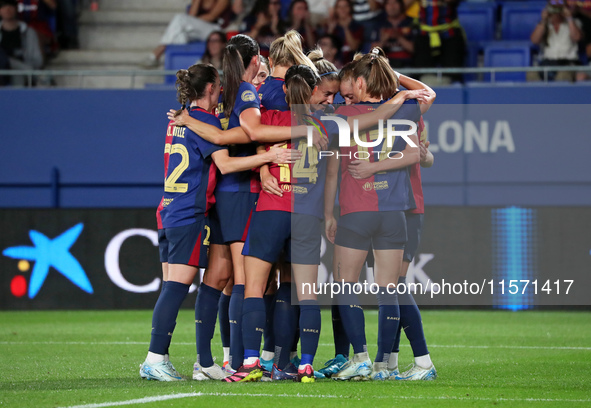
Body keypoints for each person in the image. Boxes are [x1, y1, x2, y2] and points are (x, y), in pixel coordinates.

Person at [166, 34, 323, 377]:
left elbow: (227, 136)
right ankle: (247, 360)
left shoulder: (230, 92)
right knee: (255, 281)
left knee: (228, 277)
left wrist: (188, 119)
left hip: (234, 192)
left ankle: (227, 359)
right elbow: (248, 132)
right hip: (253, 192)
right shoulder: (271, 103)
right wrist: (267, 159)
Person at [140, 63, 298, 382]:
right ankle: (156, 358)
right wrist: (269, 158)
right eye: (219, 86)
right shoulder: (204, 120)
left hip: (168, 207)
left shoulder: (180, 120)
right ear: (211, 87)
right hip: (188, 211)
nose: (223, 91)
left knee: (173, 286)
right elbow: (225, 165)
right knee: (176, 287)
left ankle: (178, 360)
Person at [323, 48, 426, 381]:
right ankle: (383, 365)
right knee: (388, 289)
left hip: (357, 209)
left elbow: (334, 169)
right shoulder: (405, 110)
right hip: (394, 211)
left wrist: (328, 213)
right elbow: (416, 152)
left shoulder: (343, 113)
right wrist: (400, 87)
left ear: (360, 81)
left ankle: (363, 358)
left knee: (345, 284)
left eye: (350, 81)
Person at [141, 0, 231, 68]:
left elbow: (211, 16)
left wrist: (191, 21)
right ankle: (179, 72)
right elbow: (191, 16)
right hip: (198, 29)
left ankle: (157, 53)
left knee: (179, 19)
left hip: (215, 29)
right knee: (180, 35)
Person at [410, 0, 465, 83]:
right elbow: (402, 4)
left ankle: (452, 91)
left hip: (449, 34)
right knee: (422, 72)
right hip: (424, 35)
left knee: (452, 72)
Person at [531, 0, 583, 81]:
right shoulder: (543, 25)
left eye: (559, 7)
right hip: (548, 63)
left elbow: (576, 37)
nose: (556, 11)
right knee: (531, 74)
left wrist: (569, 18)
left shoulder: (574, 22)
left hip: (568, 63)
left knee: (563, 75)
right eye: (554, 7)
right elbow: (534, 40)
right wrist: (544, 20)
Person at [0, 0, 43, 86]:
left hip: (22, 69)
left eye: (10, 6)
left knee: (17, 72)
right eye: (4, 7)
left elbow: (38, 60)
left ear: (16, 9)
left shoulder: (29, 32)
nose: (7, 9)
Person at [371, 0, 415, 68]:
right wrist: (383, 40)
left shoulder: (411, 23)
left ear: (401, 5)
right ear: (385, 6)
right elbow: (372, 53)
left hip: (408, 65)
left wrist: (398, 37)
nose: (392, 7)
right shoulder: (380, 25)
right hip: (385, 65)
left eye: (395, 3)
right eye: (389, 3)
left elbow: (415, 50)